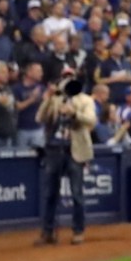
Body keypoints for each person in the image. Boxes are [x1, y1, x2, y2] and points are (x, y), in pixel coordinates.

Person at [36, 73, 96, 245]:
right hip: (54, 149)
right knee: (50, 194)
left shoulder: (85, 100)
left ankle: (78, 231)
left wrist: (74, 112)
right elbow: (40, 118)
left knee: (77, 194)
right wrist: (48, 99)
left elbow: (91, 120)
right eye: (64, 78)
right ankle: (48, 232)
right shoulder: (55, 99)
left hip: (74, 151)